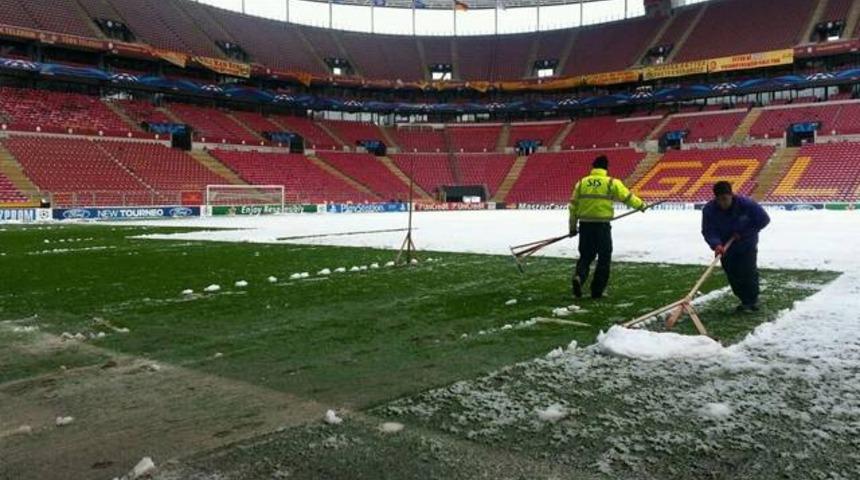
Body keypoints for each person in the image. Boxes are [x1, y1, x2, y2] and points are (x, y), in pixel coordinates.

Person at [569, 155, 646, 299]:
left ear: (593, 167)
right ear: (606, 168)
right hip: (602, 226)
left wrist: (572, 227)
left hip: (585, 225)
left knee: (585, 256)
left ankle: (579, 276)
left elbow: (572, 206)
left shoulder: (581, 183)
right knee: (604, 257)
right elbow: (627, 197)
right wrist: (641, 205)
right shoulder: (611, 182)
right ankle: (597, 291)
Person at [701, 181, 770, 313]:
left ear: (731, 195)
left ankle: (751, 301)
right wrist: (716, 244)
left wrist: (744, 233)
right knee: (732, 274)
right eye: (719, 200)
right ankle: (743, 299)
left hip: (746, 243)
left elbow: (764, 220)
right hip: (725, 247)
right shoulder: (709, 210)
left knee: (747, 271)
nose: (723, 203)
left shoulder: (747, 204)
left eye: (725, 199)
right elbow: (708, 230)